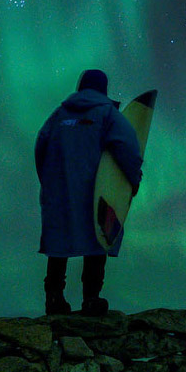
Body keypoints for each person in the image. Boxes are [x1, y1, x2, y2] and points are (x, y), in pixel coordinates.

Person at [35, 69, 143, 315]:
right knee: (98, 237)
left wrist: (49, 182)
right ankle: (91, 299)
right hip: (93, 191)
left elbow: (40, 146)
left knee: (58, 243)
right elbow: (127, 147)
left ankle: (54, 298)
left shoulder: (59, 114)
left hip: (60, 192)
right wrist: (132, 180)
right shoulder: (108, 114)